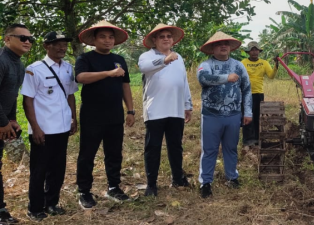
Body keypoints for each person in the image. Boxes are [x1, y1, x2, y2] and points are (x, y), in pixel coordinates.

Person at [75, 20, 135, 209]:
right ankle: (84, 191)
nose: (108, 40)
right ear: (94, 39)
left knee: (114, 153)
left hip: (115, 114)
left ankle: (114, 187)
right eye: (103, 37)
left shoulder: (119, 59)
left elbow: (126, 85)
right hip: (92, 115)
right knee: (87, 154)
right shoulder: (86, 58)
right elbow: (81, 77)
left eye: (111, 37)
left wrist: (131, 110)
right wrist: (108, 73)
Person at [21, 31, 78, 221]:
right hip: (43, 130)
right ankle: (35, 208)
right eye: (57, 44)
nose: (62, 47)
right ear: (47, 46)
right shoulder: (35, 69)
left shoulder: (68, 68)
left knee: (58, 168)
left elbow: (70, 95)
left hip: (62, 128)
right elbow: (27, 100)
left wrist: (73, 118)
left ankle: (51, 202)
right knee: (39, 170)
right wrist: (35, 127)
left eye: (64, 44)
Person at [138, 24, 193, 197]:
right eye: (162, 36)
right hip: (155, 109)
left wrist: (187, 104)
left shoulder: (179, 58)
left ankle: (178, 177)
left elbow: (183, 82)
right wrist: (165, 59)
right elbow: (144, 68)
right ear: (154, 40)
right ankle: (151, 184)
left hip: (176, 109)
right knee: (153, 147)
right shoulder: (146, 56)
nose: (166, 39)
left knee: (175, 146)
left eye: (169, 36)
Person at [197, 31, 252, 199]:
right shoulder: (206, 65)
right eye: (219, 44)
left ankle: (232, 177)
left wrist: (247, 111)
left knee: (231, 147)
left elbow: (247, 88)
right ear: (213, 48)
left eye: (226, 44)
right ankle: (205, 182)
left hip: (233, 115)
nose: (223, 46)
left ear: (230, 48)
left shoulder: (238, 66)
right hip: (211, 115)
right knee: (209, 149)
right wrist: (226, 78)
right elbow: (203, 78)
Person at [0, 23, 32, 224]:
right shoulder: (1, 61)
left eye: (30, 39)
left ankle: (1, 210)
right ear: (7, 39)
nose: (27, 41)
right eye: (22, 38)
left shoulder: (19, 65)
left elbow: (11, 96)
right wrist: (3, 122)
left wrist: (12, 120)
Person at [241, 41, 278, 147]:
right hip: (246, 93)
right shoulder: (243, 63)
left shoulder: (264, 63)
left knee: (257, 117)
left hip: (258, 93)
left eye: (256, 50)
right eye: (252, 50)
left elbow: (271, 76)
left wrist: (276, 65)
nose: (254, 52)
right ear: (248, 52)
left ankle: (256, 139)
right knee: (247, 116)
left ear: (259, 51)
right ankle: (247, 140)